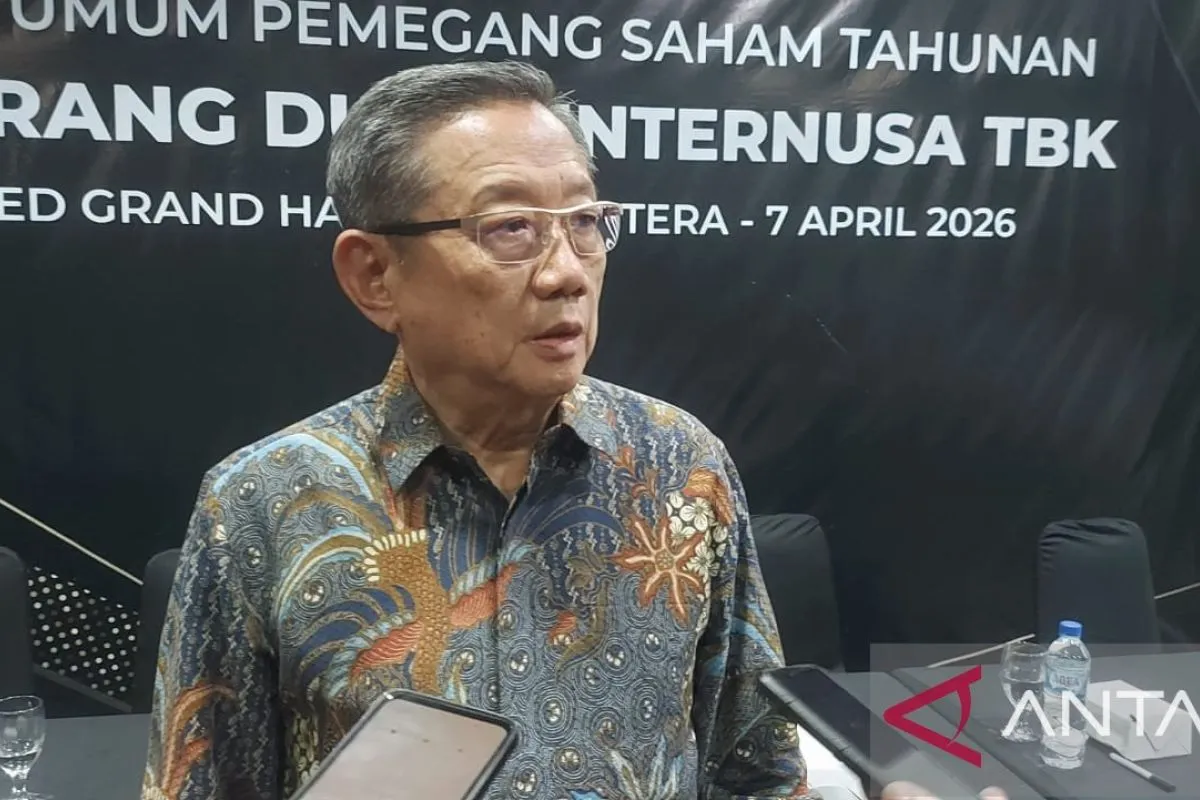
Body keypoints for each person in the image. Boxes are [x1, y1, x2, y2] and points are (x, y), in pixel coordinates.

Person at [142, 60, 1005, 800]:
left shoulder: (679, 463)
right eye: (509, 228)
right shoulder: (266, 503)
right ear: (375, 274)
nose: (567, 273)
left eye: (586, 223)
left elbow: (756, 771)